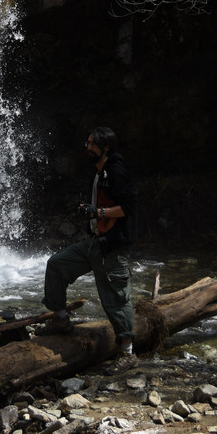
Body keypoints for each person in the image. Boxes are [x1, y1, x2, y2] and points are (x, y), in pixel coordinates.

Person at [42, 126, 139, 374]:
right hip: (95, 242)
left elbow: (129, 206)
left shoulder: (117, 170)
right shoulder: (101, 172)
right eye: (87, 143)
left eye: (92, 144)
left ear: (105, 148)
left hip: (112, 247)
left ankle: (128, 353)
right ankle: (62, 320)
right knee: (56, 265)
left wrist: (98, 212)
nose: (87, 148)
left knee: (116, 298)